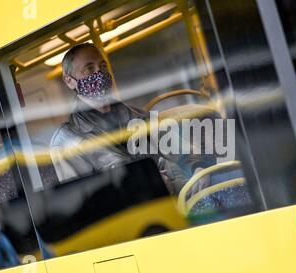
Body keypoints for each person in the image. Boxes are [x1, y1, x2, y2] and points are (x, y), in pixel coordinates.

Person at [50, 43, 215, 195]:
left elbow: (180, 148)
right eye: (89, 69)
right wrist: (146, 185)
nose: (99, 74)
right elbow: (85, 202)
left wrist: (198, 167)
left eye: (102, 66)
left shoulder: (138, 116)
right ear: (69, 81)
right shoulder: (66, 142)